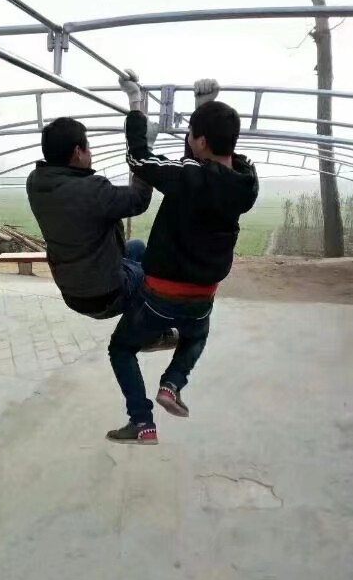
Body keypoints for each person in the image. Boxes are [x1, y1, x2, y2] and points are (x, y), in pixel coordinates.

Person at [105, 74, 259, 445]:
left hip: (162, 295)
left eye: (192, 133)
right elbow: (204, 166)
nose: (188, 138)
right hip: (202, 296)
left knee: (121, 348)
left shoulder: (189, 178)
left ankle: (143, 424)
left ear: (201, 141)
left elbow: (138, 158)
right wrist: (206, 108)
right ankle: (172, 383)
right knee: (196, 336)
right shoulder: (246, 182)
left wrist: (136, 105)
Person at [26, 115, 176, 355]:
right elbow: (139, 199)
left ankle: (140, 316)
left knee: (137, 247)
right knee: (160, 274)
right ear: (78, 152)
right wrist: (144, 151)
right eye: (88, 148)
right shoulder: (92, 189)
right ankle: (147, 334)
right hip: (103, 296)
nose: (91, 153)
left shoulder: (36, 182)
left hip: (72, 290)